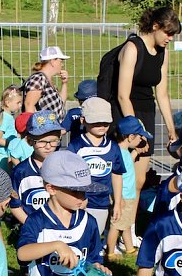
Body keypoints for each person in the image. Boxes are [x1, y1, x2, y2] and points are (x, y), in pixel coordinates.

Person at [113, 7, 180, 207]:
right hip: (126, 114)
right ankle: (115, 219)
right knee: (122, 176)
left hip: (147, 112)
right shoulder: (133, 48)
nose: (170, 38)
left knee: (139, 179)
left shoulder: (163, 52)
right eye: (168, 33)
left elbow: (162, 93)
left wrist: (171, 129)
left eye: (173, 35)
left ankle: (130, 224)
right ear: (155, 26)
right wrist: (135, 130)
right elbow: (122, 95)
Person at [67, 97, 125, 236]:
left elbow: (117, 175)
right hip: (79, 203)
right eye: (96, 122)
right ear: (83, 121)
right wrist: (76, 198)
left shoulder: (113, 147)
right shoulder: (76, 146)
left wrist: (117, 203)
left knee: (95, 237)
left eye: (105, 122)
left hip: (101, 203)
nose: (102, 126)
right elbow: (68, 176)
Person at [107, 115, 152, 261]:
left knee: (125, 224)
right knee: (116, 225)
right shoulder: (119, 154)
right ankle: (111, 252)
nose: (141, 140)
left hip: (128, 195)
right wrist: (118, 200)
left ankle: (129, 247)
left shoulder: (123, 152)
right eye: (140, 137)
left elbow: (127, 165)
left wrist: (136, 152)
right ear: (131, 137)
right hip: (123, 196)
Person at [9, 111, 65, 224]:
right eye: (42, 142)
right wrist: (31, 225)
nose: (48, 146)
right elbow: (15, 206)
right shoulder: (20, 172)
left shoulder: (65, 168)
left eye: (53, 141)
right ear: (29, 141)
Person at [23, 46, 70, 119]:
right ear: (52, 61)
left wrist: (64, 83)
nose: (62, 64)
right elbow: (29, 105)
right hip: (43, 125)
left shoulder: (47, 80)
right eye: (60, 61)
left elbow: (60, 103)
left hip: (54, 125)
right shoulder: (38, 79)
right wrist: (34, 125)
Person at [0, 84, 24, 170]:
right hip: (3, 156)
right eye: (18, 103)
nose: (20, 105)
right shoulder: (5, 118)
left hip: (8, 155)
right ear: (8, 102)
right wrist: (12, 144)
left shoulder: (9, 117)